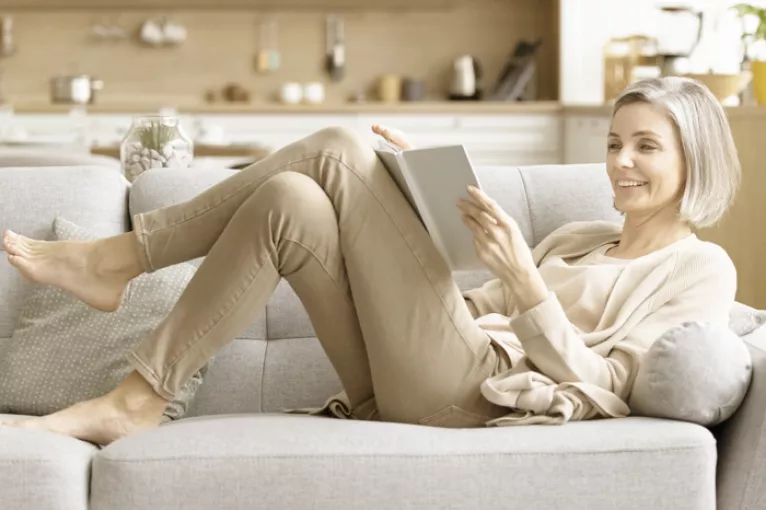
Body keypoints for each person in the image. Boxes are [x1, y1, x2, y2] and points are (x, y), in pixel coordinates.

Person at [1, 76, 740, 445]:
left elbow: (610, 387)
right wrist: (428, 213)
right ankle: (139, 399)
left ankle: (118, 261)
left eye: (647, 147)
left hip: (482, 400)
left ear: (694, 159)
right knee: (290, 199)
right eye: (615, 144)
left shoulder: (701, 268)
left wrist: (522, 281)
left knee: (338, 150)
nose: (621, 163)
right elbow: (469, 310)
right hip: (426, 372)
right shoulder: (581, 237)